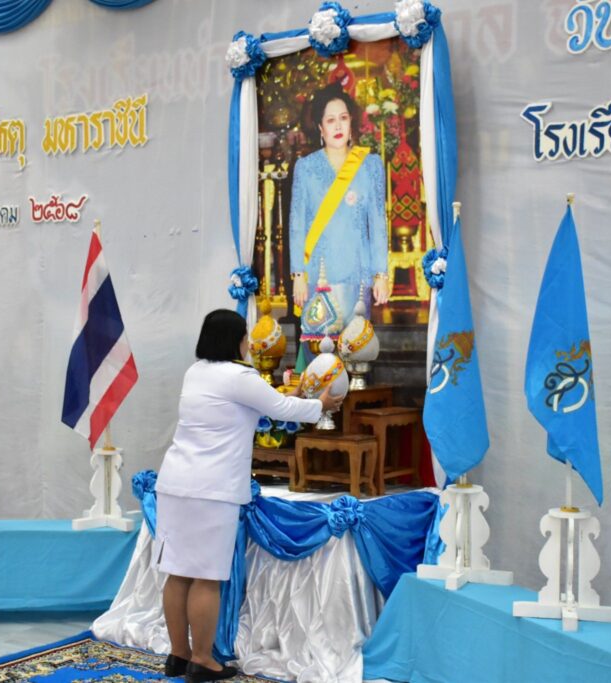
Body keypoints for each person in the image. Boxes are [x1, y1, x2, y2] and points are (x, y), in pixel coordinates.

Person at [154, 309, 343, 682]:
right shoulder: (240, 377)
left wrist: (294, 396)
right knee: (206, 577)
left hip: (176, 483)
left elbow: (255, 407)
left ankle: (178, 655)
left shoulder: (196, 372)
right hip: (212, 490)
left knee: (177, 573)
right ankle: (202, 660)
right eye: (245, 337)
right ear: (236, 341)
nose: (248, 344)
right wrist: (321, 405)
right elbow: (281, 408)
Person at [289, 82, 389, 341]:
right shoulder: (306, 168)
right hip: (318, 273)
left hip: (358, 272)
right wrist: (298, 274)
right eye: (330, 120)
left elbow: (378, 224)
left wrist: (381, 274)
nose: (337, 126)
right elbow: (297, 225)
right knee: (319, 351)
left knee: (355, 349)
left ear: (351, 121)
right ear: (320, 127)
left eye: (343, 118)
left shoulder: (370, 165)